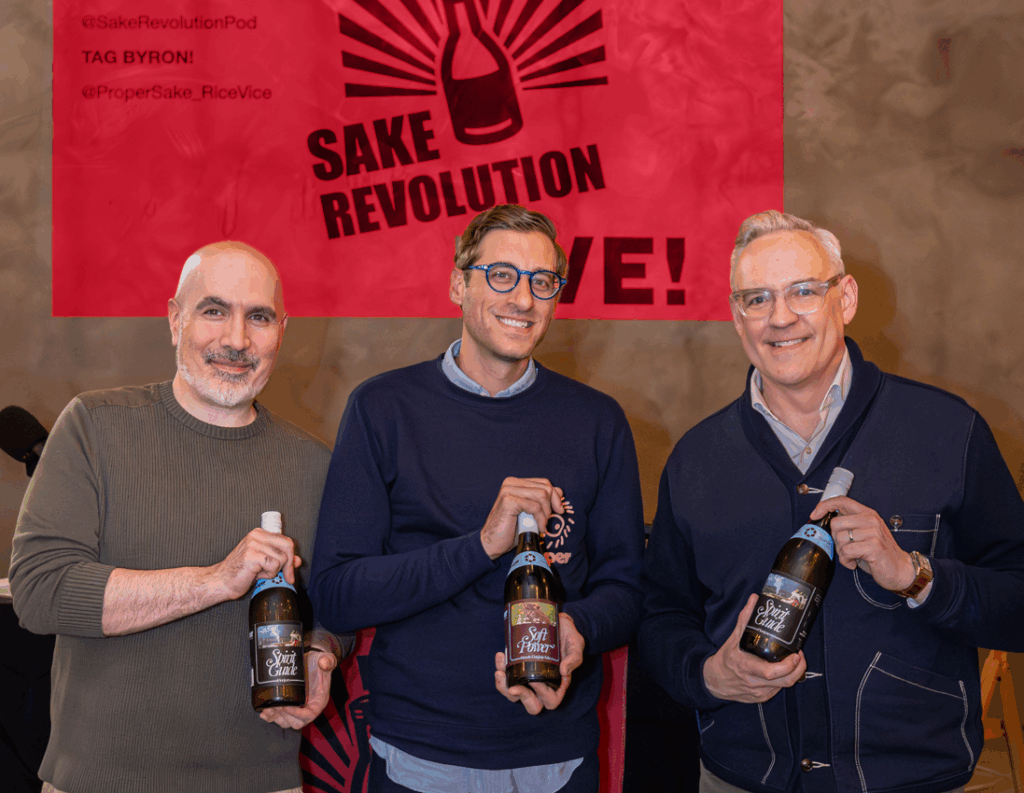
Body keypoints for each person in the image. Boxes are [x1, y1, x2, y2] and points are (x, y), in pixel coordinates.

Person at [638, 210, 1024, 793]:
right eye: (757, 299)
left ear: (845, 298)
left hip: (913, 779)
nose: (780, 317)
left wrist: (915, 576)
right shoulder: (696, 458)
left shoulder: (948, 431)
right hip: (741, 778)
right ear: (737, 318)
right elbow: (662, 616)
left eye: (803, 291)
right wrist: (710, 674)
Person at [309, 205, 645, 793]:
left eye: (543, 281)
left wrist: (578, 627)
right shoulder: (384, 409)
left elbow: (628, 590)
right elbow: (338, 596)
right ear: (459, 285)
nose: (524, 298)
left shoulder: (598, 422)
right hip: (418, 759)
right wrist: (483, 545)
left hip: (557, 761)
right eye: (502, 275)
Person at [9, 242, 345, 793]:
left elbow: (336, 602)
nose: (236, 340)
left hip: (262, 783)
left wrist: (320, 650)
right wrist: (215, 581)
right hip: (98, 782)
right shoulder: (94, 426)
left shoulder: (316, 464)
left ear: (281, 331)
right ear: (174, 320)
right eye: (214, 310)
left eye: (258, 317)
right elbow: (41, 590)